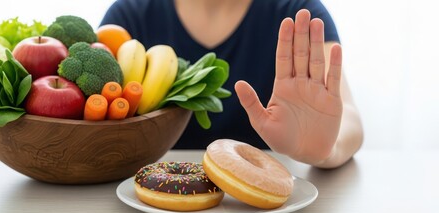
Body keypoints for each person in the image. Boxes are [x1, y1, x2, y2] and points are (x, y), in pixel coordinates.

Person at [100, 0, 364, 168]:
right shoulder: (126, 17)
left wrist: (324, 151)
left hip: (269, 211)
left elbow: (349, 119)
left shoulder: (301, 13)